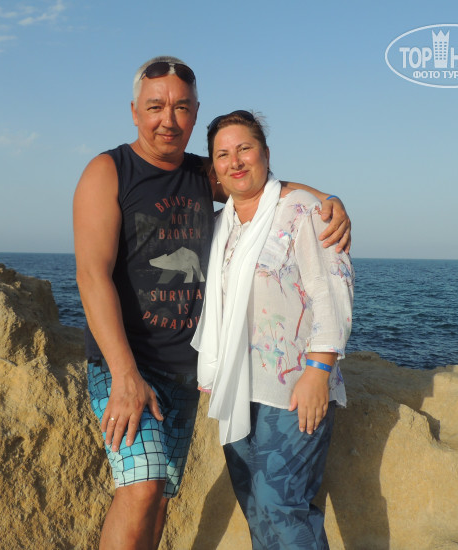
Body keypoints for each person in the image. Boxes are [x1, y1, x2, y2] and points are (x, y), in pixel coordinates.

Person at [73, 57, 351, 550]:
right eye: (155, 106)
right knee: (141, 490)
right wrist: (123, 374)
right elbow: (92, 275)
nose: (168, 119)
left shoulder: (202, 174)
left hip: (185, 373)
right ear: (134, 111)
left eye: (181, 107)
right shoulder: (109, 171)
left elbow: (263, 186)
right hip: (130, 365)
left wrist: (327, 199)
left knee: (160, 496)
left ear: (195, 112)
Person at [192, 110, 354, 549]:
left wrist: (319, 371)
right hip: (237, 388)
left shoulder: (302, 211)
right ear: (214, 168)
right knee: (256, 506)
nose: (235, 161)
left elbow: (332, 292)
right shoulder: (221, 225)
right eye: (223, 154)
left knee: (280, 503)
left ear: (266, 153)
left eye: (245, 148)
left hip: (293, 388)